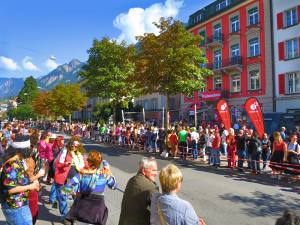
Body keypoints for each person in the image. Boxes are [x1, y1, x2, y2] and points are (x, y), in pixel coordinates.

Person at [64, 151, 117, 225]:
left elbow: (66, 187)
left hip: (81, 210)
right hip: (97, 213)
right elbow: (114, 186)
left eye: (87, 160)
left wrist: (74, 193)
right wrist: (109, 172)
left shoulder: (82, 174)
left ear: (90, 162)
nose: (86, 161)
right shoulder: (105, 175)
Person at [0, 146, 40, 225]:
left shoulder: (17, 162)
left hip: (17, 204)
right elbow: (11, 189)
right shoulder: (12, 165)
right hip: (16, 206)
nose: (29, 150)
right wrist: (31, 186)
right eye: (27, 148)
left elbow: (19, 180)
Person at [119, 157, 159, 225]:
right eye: (153, 170)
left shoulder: (132, 180)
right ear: (143, 170)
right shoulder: (151, 187)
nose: (156, 173)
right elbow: (158, 212)